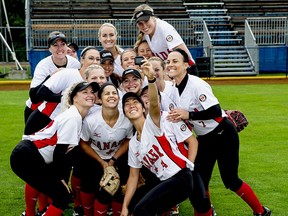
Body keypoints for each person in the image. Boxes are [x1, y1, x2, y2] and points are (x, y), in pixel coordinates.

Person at [165, 48, 271, 216]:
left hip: (223, 134)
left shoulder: (196, 84)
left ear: (186, 65)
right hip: (204, 139)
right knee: (200, 181)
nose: (170, 64)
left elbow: (215, 110)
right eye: (168, 61)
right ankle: (207, 210)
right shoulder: (172, 88)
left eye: (175, 61)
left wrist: (189, 115)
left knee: (230, 180)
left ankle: (260, 211)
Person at [120, 59, 199, 216]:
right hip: (167, 182)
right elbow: (133, 177)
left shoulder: (153, 123)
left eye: (135, 102)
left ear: (144, 108)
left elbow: (155, 105)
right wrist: (124, 207)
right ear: (124, 113)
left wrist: (150, 80)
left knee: (142, 210)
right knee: (137, 207)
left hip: (180, 177)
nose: (131, 105)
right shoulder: (134, 144)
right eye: (127, 104)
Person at [10, 81, 99, 216]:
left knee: (61, 196)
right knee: (62, 196)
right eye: (85, 92)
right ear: (74, 97)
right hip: (26, 156)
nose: (90, 95)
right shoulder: (73, 117)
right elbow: (60, 152)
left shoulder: (77, 115)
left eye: (92, 92)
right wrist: (61, 179)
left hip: (29, 155)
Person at [22, 30, 80, 216]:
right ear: (49, 48)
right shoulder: (43, 65)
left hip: (59, 115)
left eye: (62, 44)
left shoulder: (74, 63)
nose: (60, 48)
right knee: (38, 161)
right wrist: (56, 84)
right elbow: (35, 95)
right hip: (38, 112)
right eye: (55, 45)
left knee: (59, 159)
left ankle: (51, 203)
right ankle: (34, 210)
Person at [79, 82, 133, 216]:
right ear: (99, 99)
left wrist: (113, 159)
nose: (111, 96)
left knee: (119, 190)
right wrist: (102, 162)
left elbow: (128, 140)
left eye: (114, 93)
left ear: (119, 98)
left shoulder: (126, 119)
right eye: (107, 93)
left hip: (117, 157)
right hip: (95, 157)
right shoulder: (91, 121)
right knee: (90, 186)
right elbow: (84, 143)